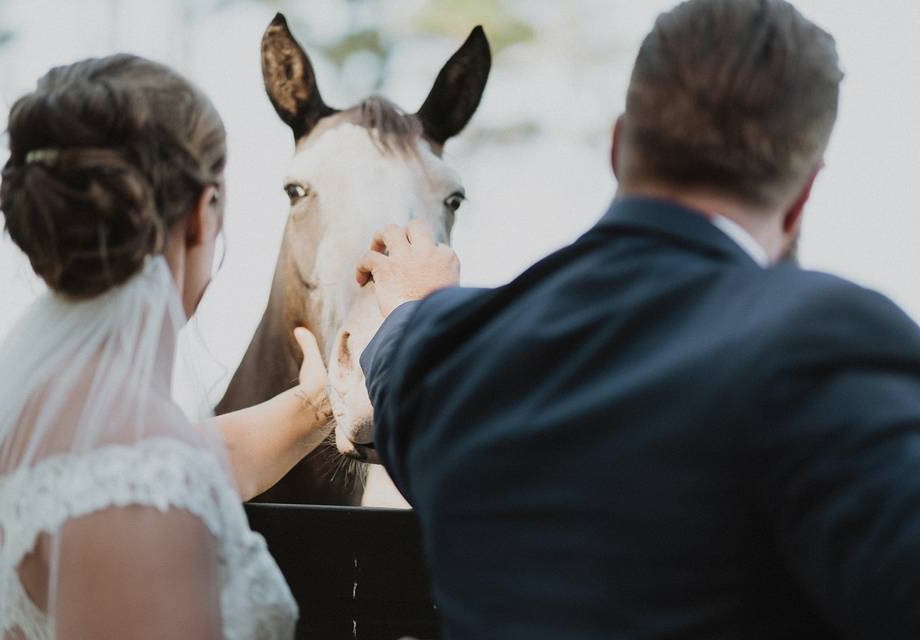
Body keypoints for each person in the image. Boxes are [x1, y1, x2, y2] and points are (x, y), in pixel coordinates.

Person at [357, 0, 920, 638]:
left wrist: (414, 304)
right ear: (802, 199)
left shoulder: (447, 353)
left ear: (620, 146)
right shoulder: (826, 341)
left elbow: (404, 356)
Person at [0, 55, 331, 639]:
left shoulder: (15, 417)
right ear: (200, 216)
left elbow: (209, 456)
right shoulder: (140, 471)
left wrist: (318, 404)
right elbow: (157, 469)